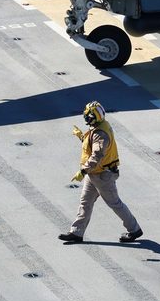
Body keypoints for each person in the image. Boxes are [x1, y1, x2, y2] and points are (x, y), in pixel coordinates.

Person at [59, 101, 143, 244]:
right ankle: (76, 233)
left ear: (93, 117)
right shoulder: (98, 127)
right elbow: (91, 145)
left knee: (115, 204)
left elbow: (97, 155)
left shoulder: (100, 134)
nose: (85, 118)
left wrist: (83, 170)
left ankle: (134, 230)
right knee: (85, 202)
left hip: (103, 176)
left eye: (87, 115)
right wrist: (81, 136)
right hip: (95, 174)